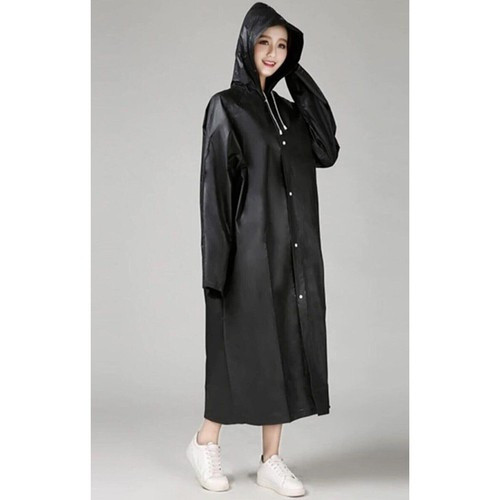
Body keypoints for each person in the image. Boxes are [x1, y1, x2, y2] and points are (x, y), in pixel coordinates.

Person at [186, 2, 341, 496]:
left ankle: (270, 459)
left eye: (283, 46)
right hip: (247, 254)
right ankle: (204, 442)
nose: (273, 53)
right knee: (236, 351)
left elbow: (327, 149)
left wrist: (296, 76)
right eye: (264, 43)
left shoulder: (292, 115)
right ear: (247, 45)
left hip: (293, 253)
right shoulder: (226, 107)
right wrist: (216, 268)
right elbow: (215, 190)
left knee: (284, 350)